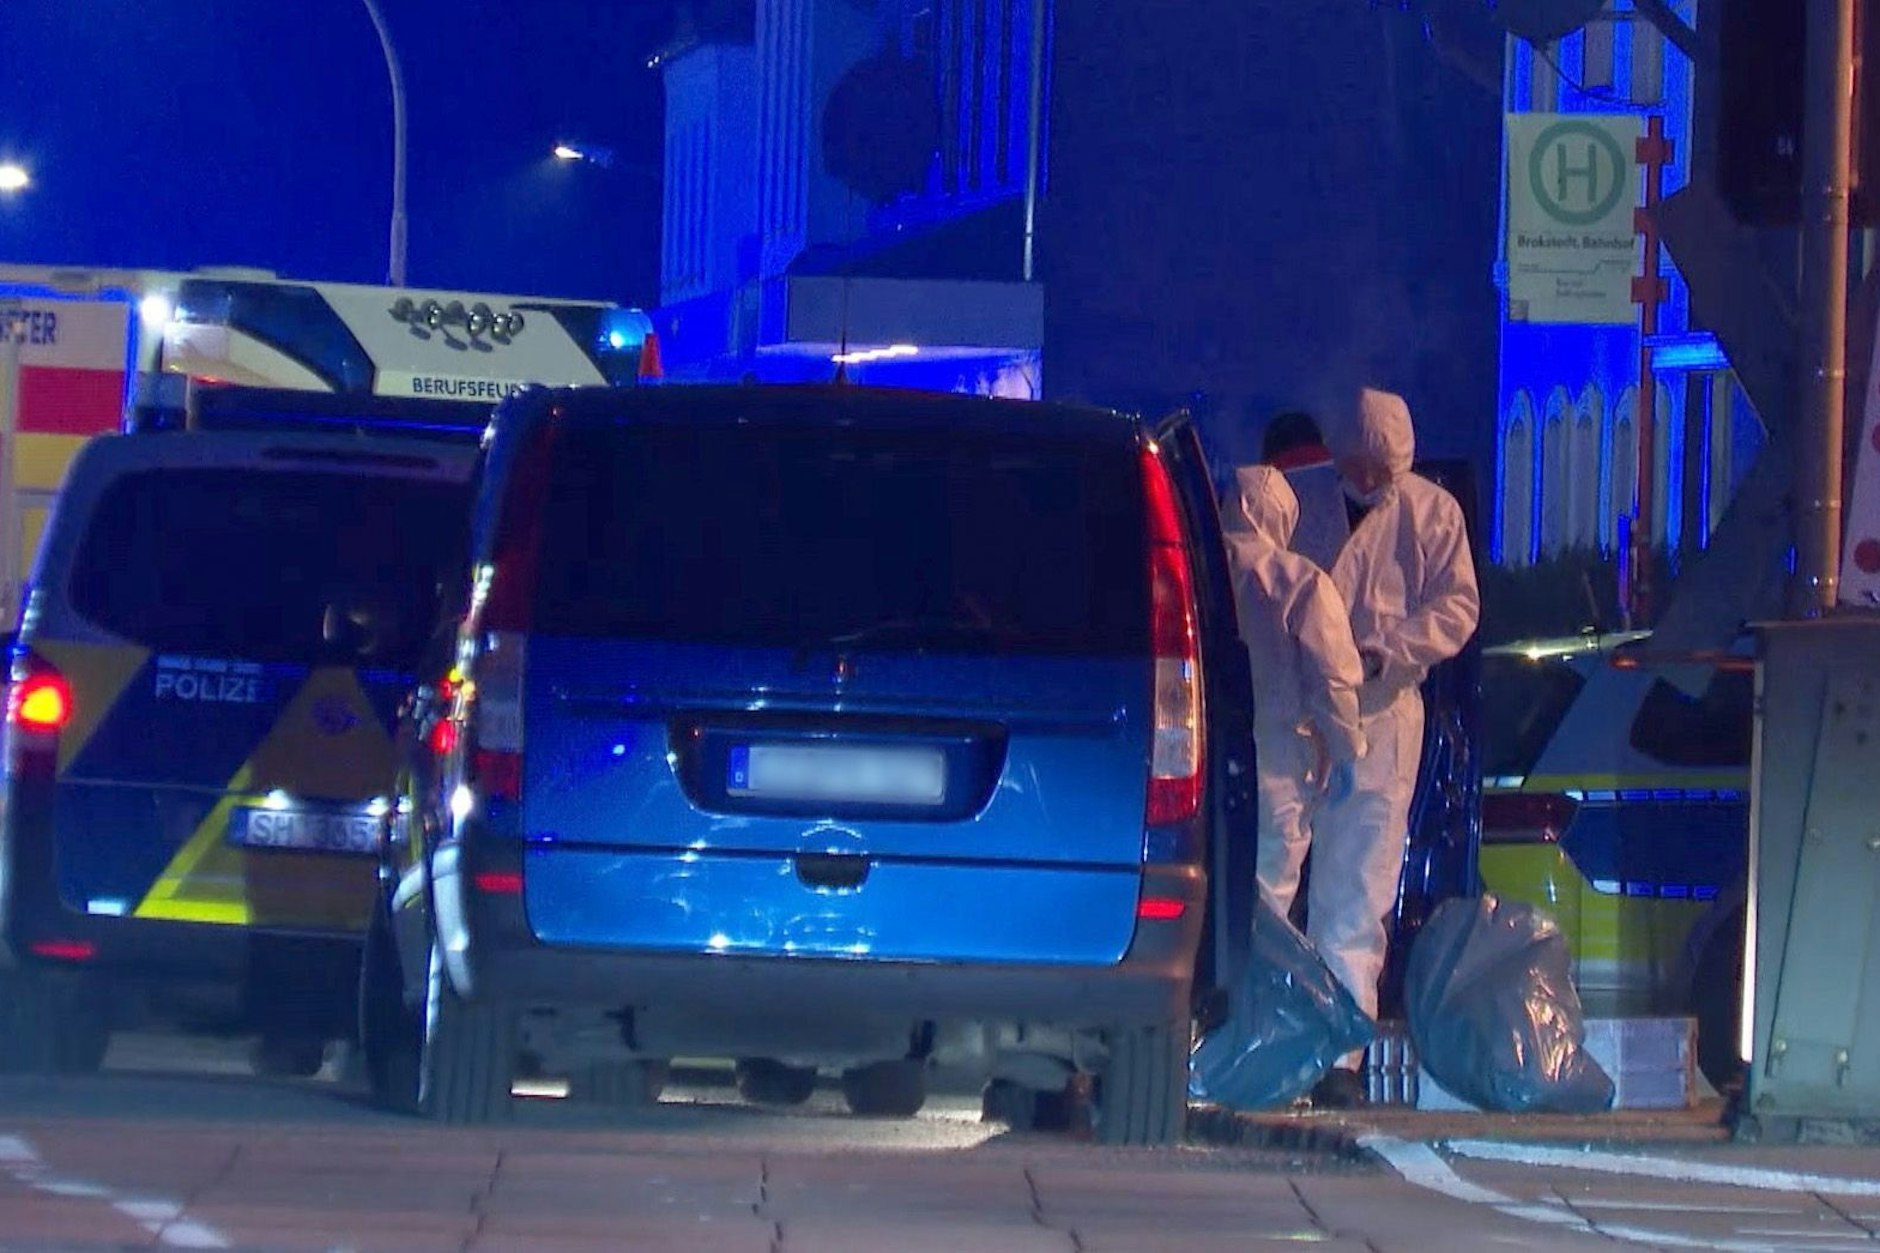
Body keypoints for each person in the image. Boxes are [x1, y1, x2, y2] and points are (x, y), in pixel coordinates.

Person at [1310, 387, 1480, 1108]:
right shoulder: (1301, 502)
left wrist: (1395, 650)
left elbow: (1458, 606)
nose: (1373, 483)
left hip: (1382, 716)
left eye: (1385, 471)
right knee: (1269, 874)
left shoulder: (1431, 514)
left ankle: (1338, 1055)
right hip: (1304, 713)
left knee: (1358, 885)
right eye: (1363, 467)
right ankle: (1263, 1036)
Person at [1222, 464, 1366, 924]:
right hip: (1278, 767)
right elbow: (1333, 679)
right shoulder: (1300, 582)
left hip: (1198, 765)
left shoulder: (1192, 572)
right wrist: (1346, 751)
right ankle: (1249, 996)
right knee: (1266, 901)